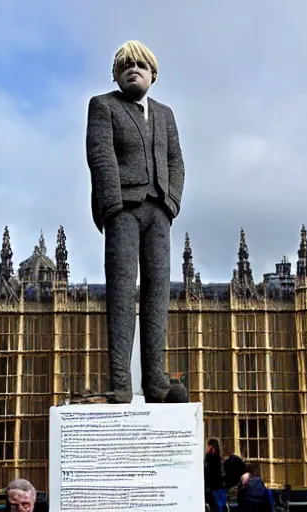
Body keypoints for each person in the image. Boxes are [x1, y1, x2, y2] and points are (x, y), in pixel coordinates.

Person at [86, 40, 186, 404]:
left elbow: (176, 160)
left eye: (140, 64)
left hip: (158, 208)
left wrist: (171, 202)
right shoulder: (103, 105)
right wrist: (112, 203)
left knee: (158, 292)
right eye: (125, 65)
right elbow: (100, 155)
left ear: (152, 74)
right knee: (123, 291)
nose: (133, 69)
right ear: (115, 74)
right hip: (123, 207)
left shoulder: (166, 114)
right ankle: (120, 384)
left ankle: (156, 381)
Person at [204, 439, 223, 512]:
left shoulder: (212, 459)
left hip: (213, 487)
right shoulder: (215, 458)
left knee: (215, 506)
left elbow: (210, 472)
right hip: (215, 487)